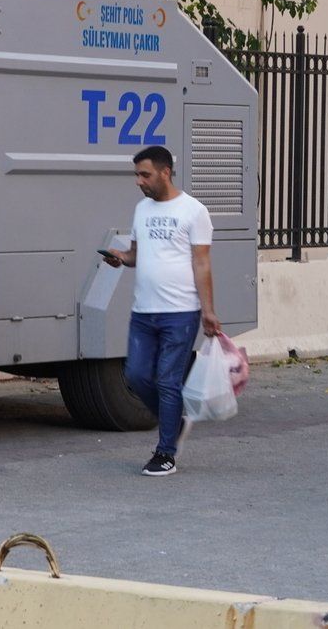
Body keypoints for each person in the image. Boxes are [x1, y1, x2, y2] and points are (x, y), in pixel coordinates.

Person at [101, 145, 219, 476]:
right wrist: (120, 258)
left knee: (168, 380)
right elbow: (136, 255)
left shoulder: (194, 211)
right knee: (136, 375)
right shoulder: (142, 210)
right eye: (137, 175)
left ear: (165, 172)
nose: (138, 181)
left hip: (180, 312)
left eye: (145, 174)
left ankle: (166, 452)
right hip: (144, 311)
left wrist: (208, 311)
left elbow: (202, 263)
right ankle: (174, 420)